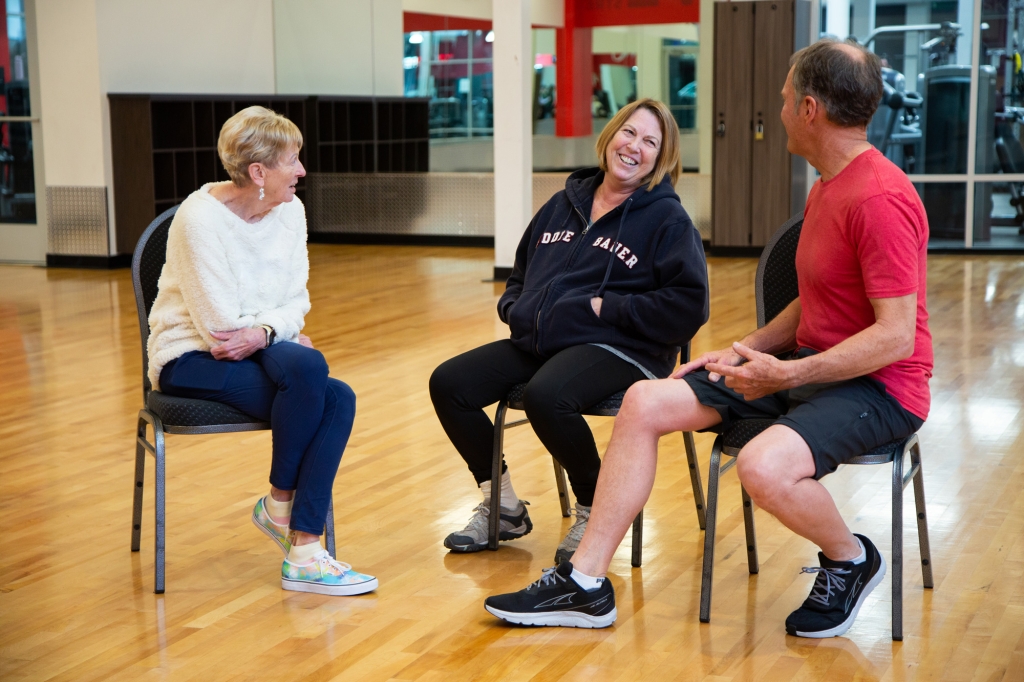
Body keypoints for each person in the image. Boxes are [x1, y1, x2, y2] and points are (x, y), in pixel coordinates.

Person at [484, 38, 932, 637]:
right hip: (805, 367)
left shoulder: (879, 197)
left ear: (809, 109)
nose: (777, 110)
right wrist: (751, 350)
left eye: (782, 98)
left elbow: (896, 337)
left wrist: (788, 373)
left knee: (762, 467)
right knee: (645, 401)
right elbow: (816, 303)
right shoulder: (828, 182)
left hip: (880, 388)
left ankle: (851, 558)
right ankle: (587, 584)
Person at [429, 98, 709, 564]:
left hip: (624, 347)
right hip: (545, 338)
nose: (634, 147)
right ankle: (502, 505)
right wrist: (516, 306)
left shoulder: (667, 219)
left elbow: (687, 306)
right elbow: (521, 271)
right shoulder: (565, 203)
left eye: (649, 142)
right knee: (450, 383)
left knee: (547, 395)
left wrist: (608, 306)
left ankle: (595, 510)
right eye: (629, 133)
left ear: (662, 159)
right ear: (611, 135)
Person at [146, 106, 376, 596]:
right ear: (258, 172)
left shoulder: (290, 211)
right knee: (318, 381)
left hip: (259, 344)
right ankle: (298, 541)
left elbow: (298, 298)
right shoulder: (198, 219)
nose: (301, 172)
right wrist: (278, 330)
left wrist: (270, 329)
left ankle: (294, 529)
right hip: (192, 357)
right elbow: (220, 328)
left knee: (333, 389)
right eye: (292, 161)